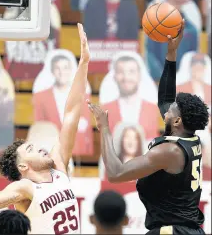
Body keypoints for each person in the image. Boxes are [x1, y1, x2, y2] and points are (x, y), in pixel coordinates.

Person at [88, 19, 209, 234]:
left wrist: (104, 128)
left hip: (172, 231)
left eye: (172, 108)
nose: (166, 108)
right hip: (186, 229)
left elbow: (116, 173)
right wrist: (171, 54)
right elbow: (165, 98)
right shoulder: (187, 136)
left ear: (178, 121)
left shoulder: (170, 151)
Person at [0, 23, 90, 234]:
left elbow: (71, 114)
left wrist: (84, 63)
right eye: (30, 150)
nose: (40, 148)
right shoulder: (24, 187)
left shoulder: (59, 167)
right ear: (23, 167)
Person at [32, 49, 94, 156]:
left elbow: (85, 126)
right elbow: (40, 127)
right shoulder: (41, 96)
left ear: (71, 70)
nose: (61, 72)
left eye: (65, 68)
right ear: (52, 71)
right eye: (57, 68)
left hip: (76, 152)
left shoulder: (82, 95)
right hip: (51, 150)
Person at [100, 51, 159, 141]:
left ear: (139, 75)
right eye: (120, 72)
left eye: (131, 72)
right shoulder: (106, 109)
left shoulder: (151, 108)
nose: (126, 77)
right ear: (114, 76)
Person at [146, 0, 198, 82]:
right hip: (159, 79)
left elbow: (192, 56)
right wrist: (160, 76)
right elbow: (150, 54)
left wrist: (182, 77)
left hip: (183, 80)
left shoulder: (192, 30)